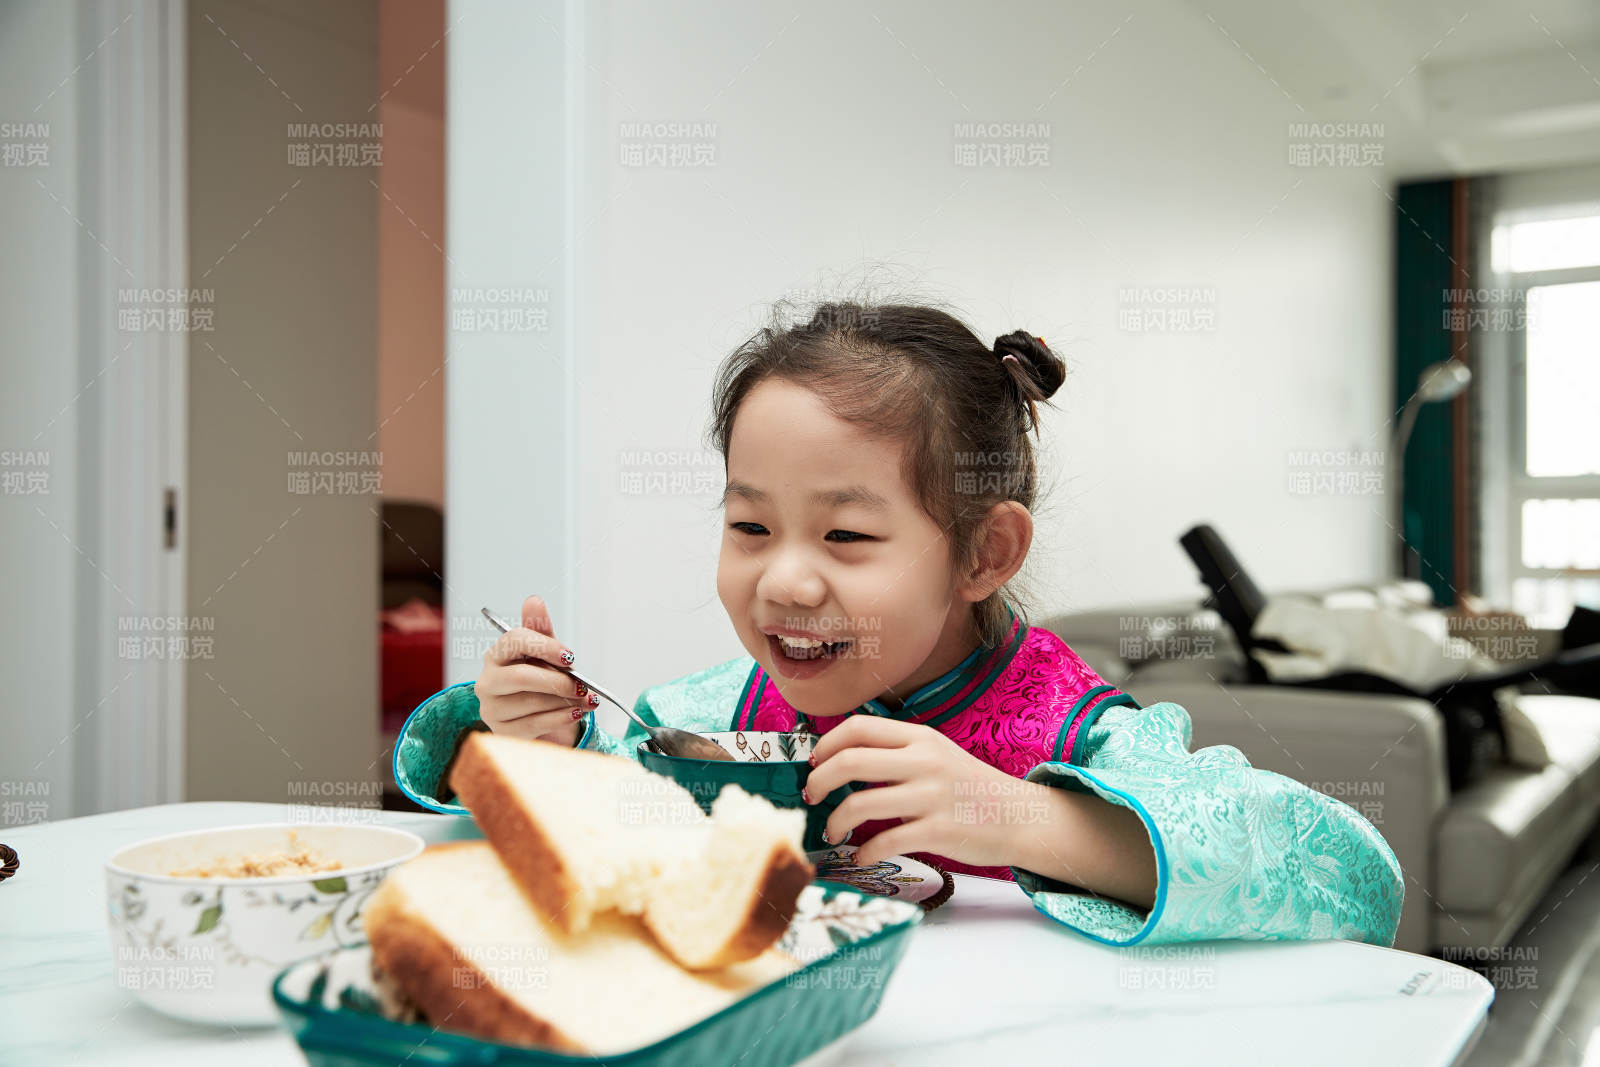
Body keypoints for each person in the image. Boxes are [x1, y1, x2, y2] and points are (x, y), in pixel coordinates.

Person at [394, 301, 1404, 947]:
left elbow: (1357, 881)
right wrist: (533, 740)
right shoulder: (709, 717)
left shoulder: (1072, 729)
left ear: (984, 552)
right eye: (750, 525)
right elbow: (587, 825)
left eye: (844, 533)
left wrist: (1019, 815)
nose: (784, 579)